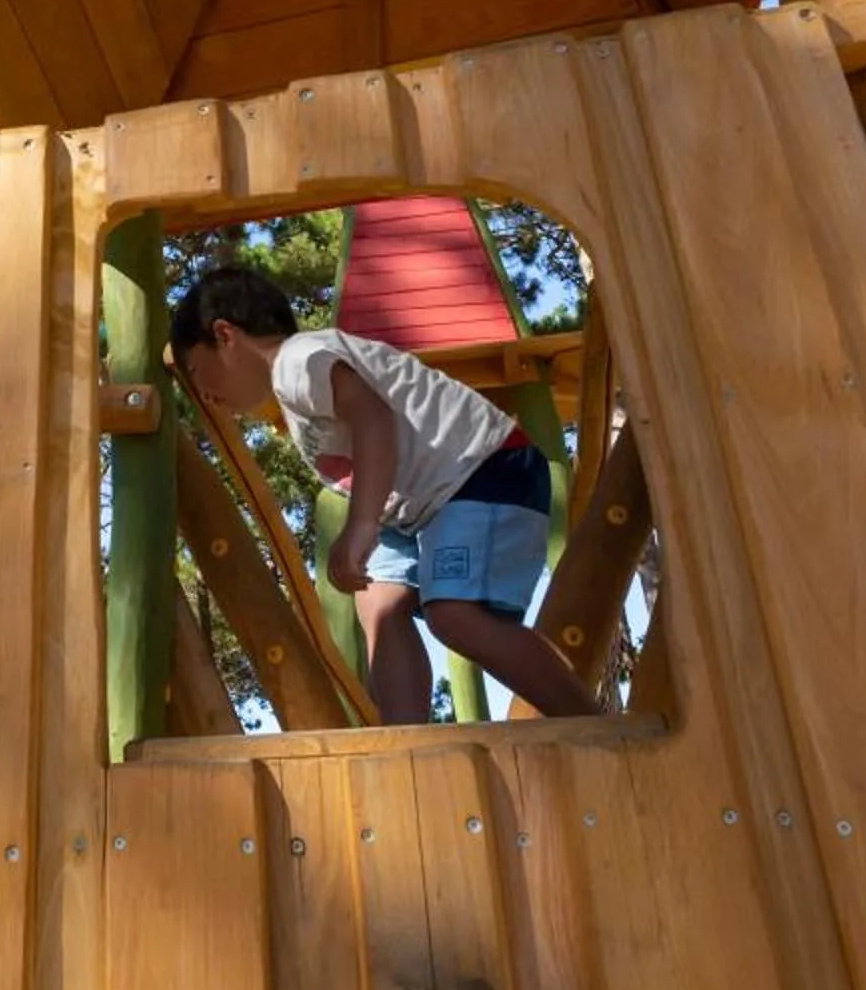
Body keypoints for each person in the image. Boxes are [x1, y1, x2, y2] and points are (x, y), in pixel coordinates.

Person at [169, 263, 598, 725]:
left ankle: (589, 721)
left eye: (197, 371)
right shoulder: (297, 382)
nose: (204, 394)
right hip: (422, 504)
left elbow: (373, 418)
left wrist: (361, 525)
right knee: (377, 602)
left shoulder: (296, 360)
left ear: (226, 335)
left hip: (482, 469)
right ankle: (403, 736)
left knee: (455, 616)